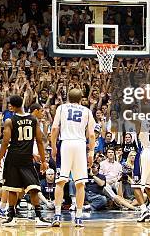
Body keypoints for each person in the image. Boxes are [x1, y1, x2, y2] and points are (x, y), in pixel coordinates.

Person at [0, 95, 50, 227]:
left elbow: (5, 142)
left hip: (13, 157)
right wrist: (43, 161)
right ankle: (38, 217)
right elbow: (39, 141)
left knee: (12, 188)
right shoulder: (33, 119)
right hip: (27, 158)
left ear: (12, 107)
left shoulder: (10, 120)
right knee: (33, 188)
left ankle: (11, 217)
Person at [50, 88, 96, 227]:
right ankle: (79, 217)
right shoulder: (87, 111)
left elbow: (54, 129)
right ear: (82, 98)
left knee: (60, 181)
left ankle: (57, 216)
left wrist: (53, 146)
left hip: (65, 144)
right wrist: (91, 152)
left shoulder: (62, 108)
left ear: (68, 98)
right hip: (80, 144)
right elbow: (92, 134)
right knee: (80, 183)